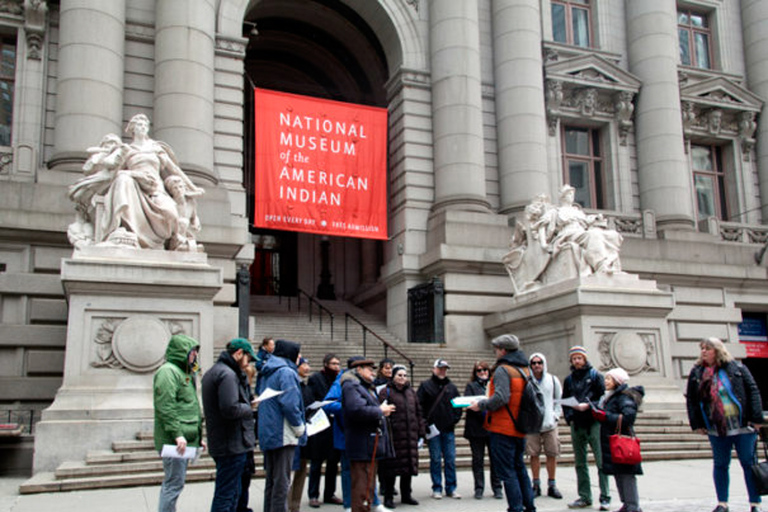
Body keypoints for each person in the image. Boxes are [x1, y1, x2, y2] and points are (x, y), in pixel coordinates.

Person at [101, 113, 204, 250]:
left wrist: (192, 188)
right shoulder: (127, 149)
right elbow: (113, 173)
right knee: (122, 179)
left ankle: (175, 238)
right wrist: (134, 174)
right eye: (139, 124)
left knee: (171, 213)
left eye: (145, 125)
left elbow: (174, 169)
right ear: (132, 129)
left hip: (156, 189)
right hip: (135, 187)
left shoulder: (155, 148)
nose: (142, 127)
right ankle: (122, 230)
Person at [686, 337, 764, 512]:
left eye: (708, 348)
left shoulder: (737, 368)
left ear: (718, 350)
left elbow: (753, 390)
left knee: (748, 464)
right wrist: (697, 423)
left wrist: (757, 419)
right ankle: (722, 503)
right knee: (721, 464)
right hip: (716, 428)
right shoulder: (697, 372)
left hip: (743, 426)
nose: (704, 351)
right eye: (702, 348)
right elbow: (692, 399)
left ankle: (755, 503)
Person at [468, 334, 535, 512]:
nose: (495, 352)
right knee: (520, 468)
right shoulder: (525, 369)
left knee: (507, 472)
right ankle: (529, 506)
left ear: (503, 350)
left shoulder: (503, 370)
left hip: (503, 428)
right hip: (519, 426)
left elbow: (501, 397)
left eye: (497, 349)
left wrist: (481, 404)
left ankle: (515, 508)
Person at [202, 338, 258, 512]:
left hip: (227, 442)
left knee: (232, 492)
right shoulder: (227, 374)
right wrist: (249, 407)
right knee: (227, 495)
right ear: (239, 353)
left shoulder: (216, 372)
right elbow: (230, 408)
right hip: (231, 444)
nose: (248, 363)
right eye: (248, 358)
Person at [153, 334, 204, 512]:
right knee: (173, 484)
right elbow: (166, 407)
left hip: (182, 438)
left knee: (175, 483)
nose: (194, 357)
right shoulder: (168, 372)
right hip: (174, 441)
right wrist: (178, 435)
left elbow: (187, 407)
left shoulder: (182, 372)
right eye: (192, 353)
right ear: (182, 352)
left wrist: (196, 436)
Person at [258, 340, 308, 512]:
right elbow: (290, 403)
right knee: (282, 482)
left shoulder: (268, 371)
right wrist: (299, 427)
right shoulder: (286, 372)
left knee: (271, 481)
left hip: (269, 431)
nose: (299, 359)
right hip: (283, 433)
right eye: (298, 354)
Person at [342, 358, 395, 512]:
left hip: (368, 443)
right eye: (369, 369)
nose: (373, 372)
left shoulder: (363, 386)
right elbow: (356, 410)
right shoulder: (351, 386)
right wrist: (379, 411)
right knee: (361, 487)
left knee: (367, 486)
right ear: (359, 370)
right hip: (361, 444)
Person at [562, 345, 610, 510]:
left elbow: (604, 397)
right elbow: (565, 400)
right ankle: (584, 496)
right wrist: (570, 418)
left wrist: (589, 406)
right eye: (574, 358)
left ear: (584, 358)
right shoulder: (569, 379)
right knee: (580, 463)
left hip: (593, 423)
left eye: (579, 358)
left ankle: (605, 496)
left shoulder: (595, 376)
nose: (577, 361)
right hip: (577, 424)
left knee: (601, 462)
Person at [590, 368, 644, 512]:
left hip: (622, 441)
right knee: (619, 473)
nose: (605, 381)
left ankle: (633, 506)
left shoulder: (624, 397)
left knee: (626, 475)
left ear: (617, 381)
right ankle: (626, 504)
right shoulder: (611, 396)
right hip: (612, 441)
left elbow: (628, 417)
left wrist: (605, 416)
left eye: (609, 379)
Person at [377, 365, 425, 508]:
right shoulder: (387, 391)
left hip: (410, 435)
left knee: (407, 467)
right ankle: (389, 496)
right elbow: (381, 411)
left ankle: (406, 495)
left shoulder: (411, 392)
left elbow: (418, 412)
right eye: (399, 375)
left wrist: (421, 431)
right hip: (394, 436)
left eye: (404, 375)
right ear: (393, 376)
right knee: (391, 469)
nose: (402, 378)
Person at [417, 359, 462, 499]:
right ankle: (437, 487)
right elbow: (419, 406)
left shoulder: (452, 387)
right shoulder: (425, 386)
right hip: (432, 429)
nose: (442, 371)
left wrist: (454, 420)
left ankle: (451, 487)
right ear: (434, 369)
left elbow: (458, 406)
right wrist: (424, 424)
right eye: (440, 368)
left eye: (445, 369)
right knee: (435, 459)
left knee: (450, 459)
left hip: (448, 429)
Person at [307, 354, 343, 508]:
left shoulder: (339, 381)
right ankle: (313, 494)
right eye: (334, 364)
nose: (337, 367)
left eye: (338, 364)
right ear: (326, 364)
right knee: (316, 462)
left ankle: (330, 493)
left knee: (333, 463)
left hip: (334, 426)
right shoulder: (316, 379)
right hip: (320, 426)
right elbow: (311, 400)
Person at [462, 361, 502, 500]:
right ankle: (479, 488)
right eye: (479, 370)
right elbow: (469, 404)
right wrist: (484, 407)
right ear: (475, 373)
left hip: (493, 427)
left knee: (495, 459)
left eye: (485, 369)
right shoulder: (471, 386)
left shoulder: (494, 385)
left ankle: (497, 487)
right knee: (477, 460)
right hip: (477, 428)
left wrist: (482, 406)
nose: (482, 372)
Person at [526, 352, 563, 499]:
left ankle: (552, 484)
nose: (536, 365)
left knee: (551, 454)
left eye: (539, 362)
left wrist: (556, 416)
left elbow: (559, 400)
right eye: (534, 363)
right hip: (533, 425)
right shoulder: (527, 381)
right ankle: (536, 484)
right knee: (533, 454)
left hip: (549, 424)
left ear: (544, 364)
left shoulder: (552, 380)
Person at [289, 358, 313, 512]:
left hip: (305, 434)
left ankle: (295, 506)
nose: (307, 368)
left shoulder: (307, 386)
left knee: (302, 471)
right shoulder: (291, 384)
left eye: (307, 365)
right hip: (293, 434)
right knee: (289, 474)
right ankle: (287, 505)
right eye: (303, 364)